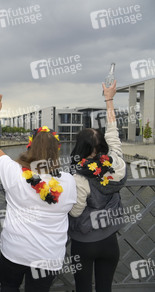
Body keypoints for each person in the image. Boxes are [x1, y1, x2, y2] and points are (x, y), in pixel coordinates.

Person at [0, 94, 77, 292]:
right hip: (48, 256)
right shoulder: (68, 181)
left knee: (9, 287)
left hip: (15, 251)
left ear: (30, 146)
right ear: (57, 151)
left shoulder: (15, 173)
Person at [68, 80, 127, 292]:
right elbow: (114, 133)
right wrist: (109, 99)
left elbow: (75, 211)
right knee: (105, 288)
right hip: (110, 240)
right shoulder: (116, 163)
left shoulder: (79, 177)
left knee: (83, 288)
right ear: (102, 144)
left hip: (84, 242)